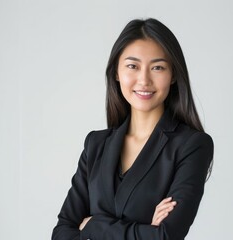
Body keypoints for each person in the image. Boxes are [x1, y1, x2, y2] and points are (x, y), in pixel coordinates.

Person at [52, 18, 214, 240]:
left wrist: (94, 225)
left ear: (173, 75)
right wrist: (146, 230)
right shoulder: (95, 145)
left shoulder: (192, 146)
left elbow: (165, 237)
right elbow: (62, 233)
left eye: (157, 67)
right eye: (132, 66)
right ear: (117, 73)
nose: (144, 80)